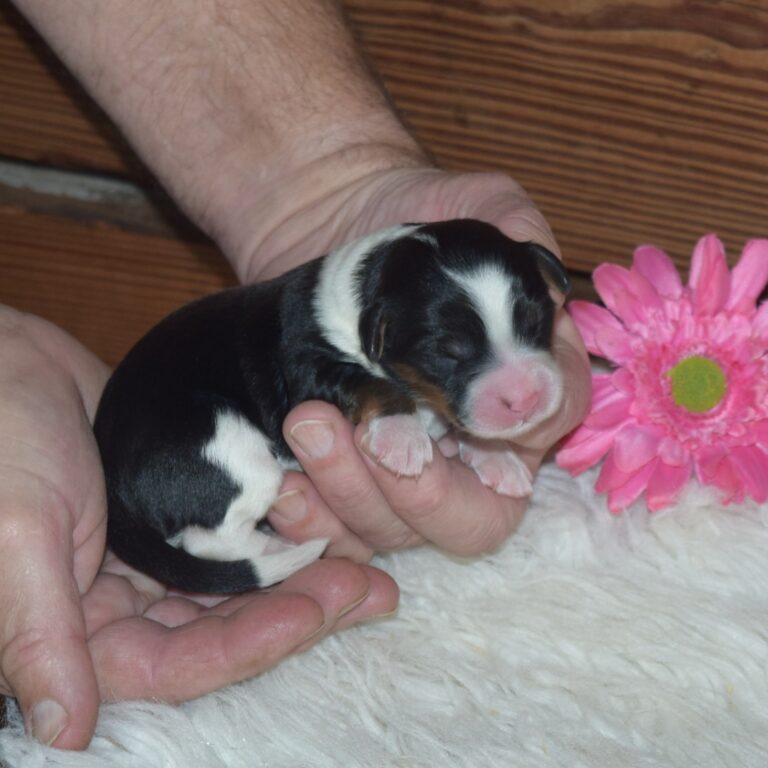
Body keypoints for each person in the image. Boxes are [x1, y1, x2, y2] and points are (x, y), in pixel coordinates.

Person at [1, 0, 591, 751]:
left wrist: (485, 442)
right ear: (378, 335)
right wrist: (392, 414)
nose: (521, 383)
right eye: (456, 353)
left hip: (166, 441)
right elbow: (347, 386)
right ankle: (216, 541)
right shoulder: (328, 332)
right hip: (181, 439)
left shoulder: (382, 312)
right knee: (280, 450)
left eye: (532, 327)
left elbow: (410, 380)